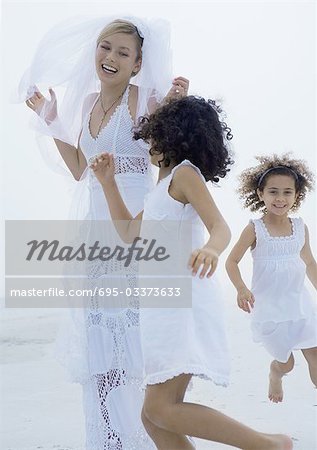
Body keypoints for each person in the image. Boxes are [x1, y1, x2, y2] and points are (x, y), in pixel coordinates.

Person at [21, 15, 189, 450]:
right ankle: (111, 440)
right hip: (96, 243)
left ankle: (149, 436)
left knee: (135, 344)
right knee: (102, 347)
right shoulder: (89, 104)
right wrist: (50, 120)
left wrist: (173, 107)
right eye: (105, 47)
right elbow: (82, 170)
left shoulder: (145, 100)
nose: (110, 57)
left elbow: (168, 160)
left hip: (135, 237)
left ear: (137, 64)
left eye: (122, 52)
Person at [91, 96, 293, 450]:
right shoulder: (161, 189)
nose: (148, 142)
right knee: (152, 417)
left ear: (173, 136)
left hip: (182, 303)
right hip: (160, 306)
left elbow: (220, 226)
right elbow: (127, 233)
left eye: (153, 135)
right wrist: (109, 183)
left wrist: (211, 249)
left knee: (161, 409)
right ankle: (269, 444)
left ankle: (269, 445)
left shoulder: (185, 174)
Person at [226, 154, 317, 404]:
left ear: (297, 195)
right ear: (260, 194)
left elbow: (309, 262)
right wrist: (241, 288)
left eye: (287, 192)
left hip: (300, 305)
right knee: (286, 363)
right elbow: (231, 261)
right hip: (270, 310)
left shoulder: (300, 227)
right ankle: (275, 372)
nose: (280, 198)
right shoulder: (255, 229)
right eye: (273, 191)